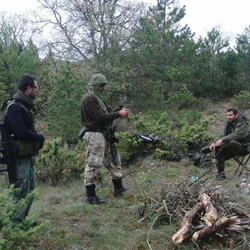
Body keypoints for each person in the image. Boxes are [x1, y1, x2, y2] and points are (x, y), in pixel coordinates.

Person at [81, 73, 129, 204]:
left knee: (114, 160)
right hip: (95, 135)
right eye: (102, 85)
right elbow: (100, 117)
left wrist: (118, 111)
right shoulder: (89, 99)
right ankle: (91, 196)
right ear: (96, 86)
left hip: (104, 134)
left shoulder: (97, 98)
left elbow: (107, 112)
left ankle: (118, 189)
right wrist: (118, 114)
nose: (104, 88)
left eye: (104, 85)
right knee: (94, 163)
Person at [5, 74, 45, 225]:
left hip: (27, 155)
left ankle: (21, 221)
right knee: (19, 191)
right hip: (19, 157)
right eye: (36, 88)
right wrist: (39, 137)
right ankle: (13, 227)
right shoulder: (15, 107)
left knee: (31, 190)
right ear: (29, 89)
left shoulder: (24, 105)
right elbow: (20, 132)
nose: (37, 91)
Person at [206, 108, 250, 179]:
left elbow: (238, 135)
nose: (228, 117)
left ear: (236, 115)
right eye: (227, 115)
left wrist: (222, 140)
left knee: (231, 142)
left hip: (244, 147)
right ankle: (221, 175)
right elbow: (224, 135)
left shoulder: (243, 123)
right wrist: (214, 143)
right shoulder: (229, 123)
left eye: (230, 115)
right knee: (219, 149)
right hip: (233, 148)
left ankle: (212, 151)